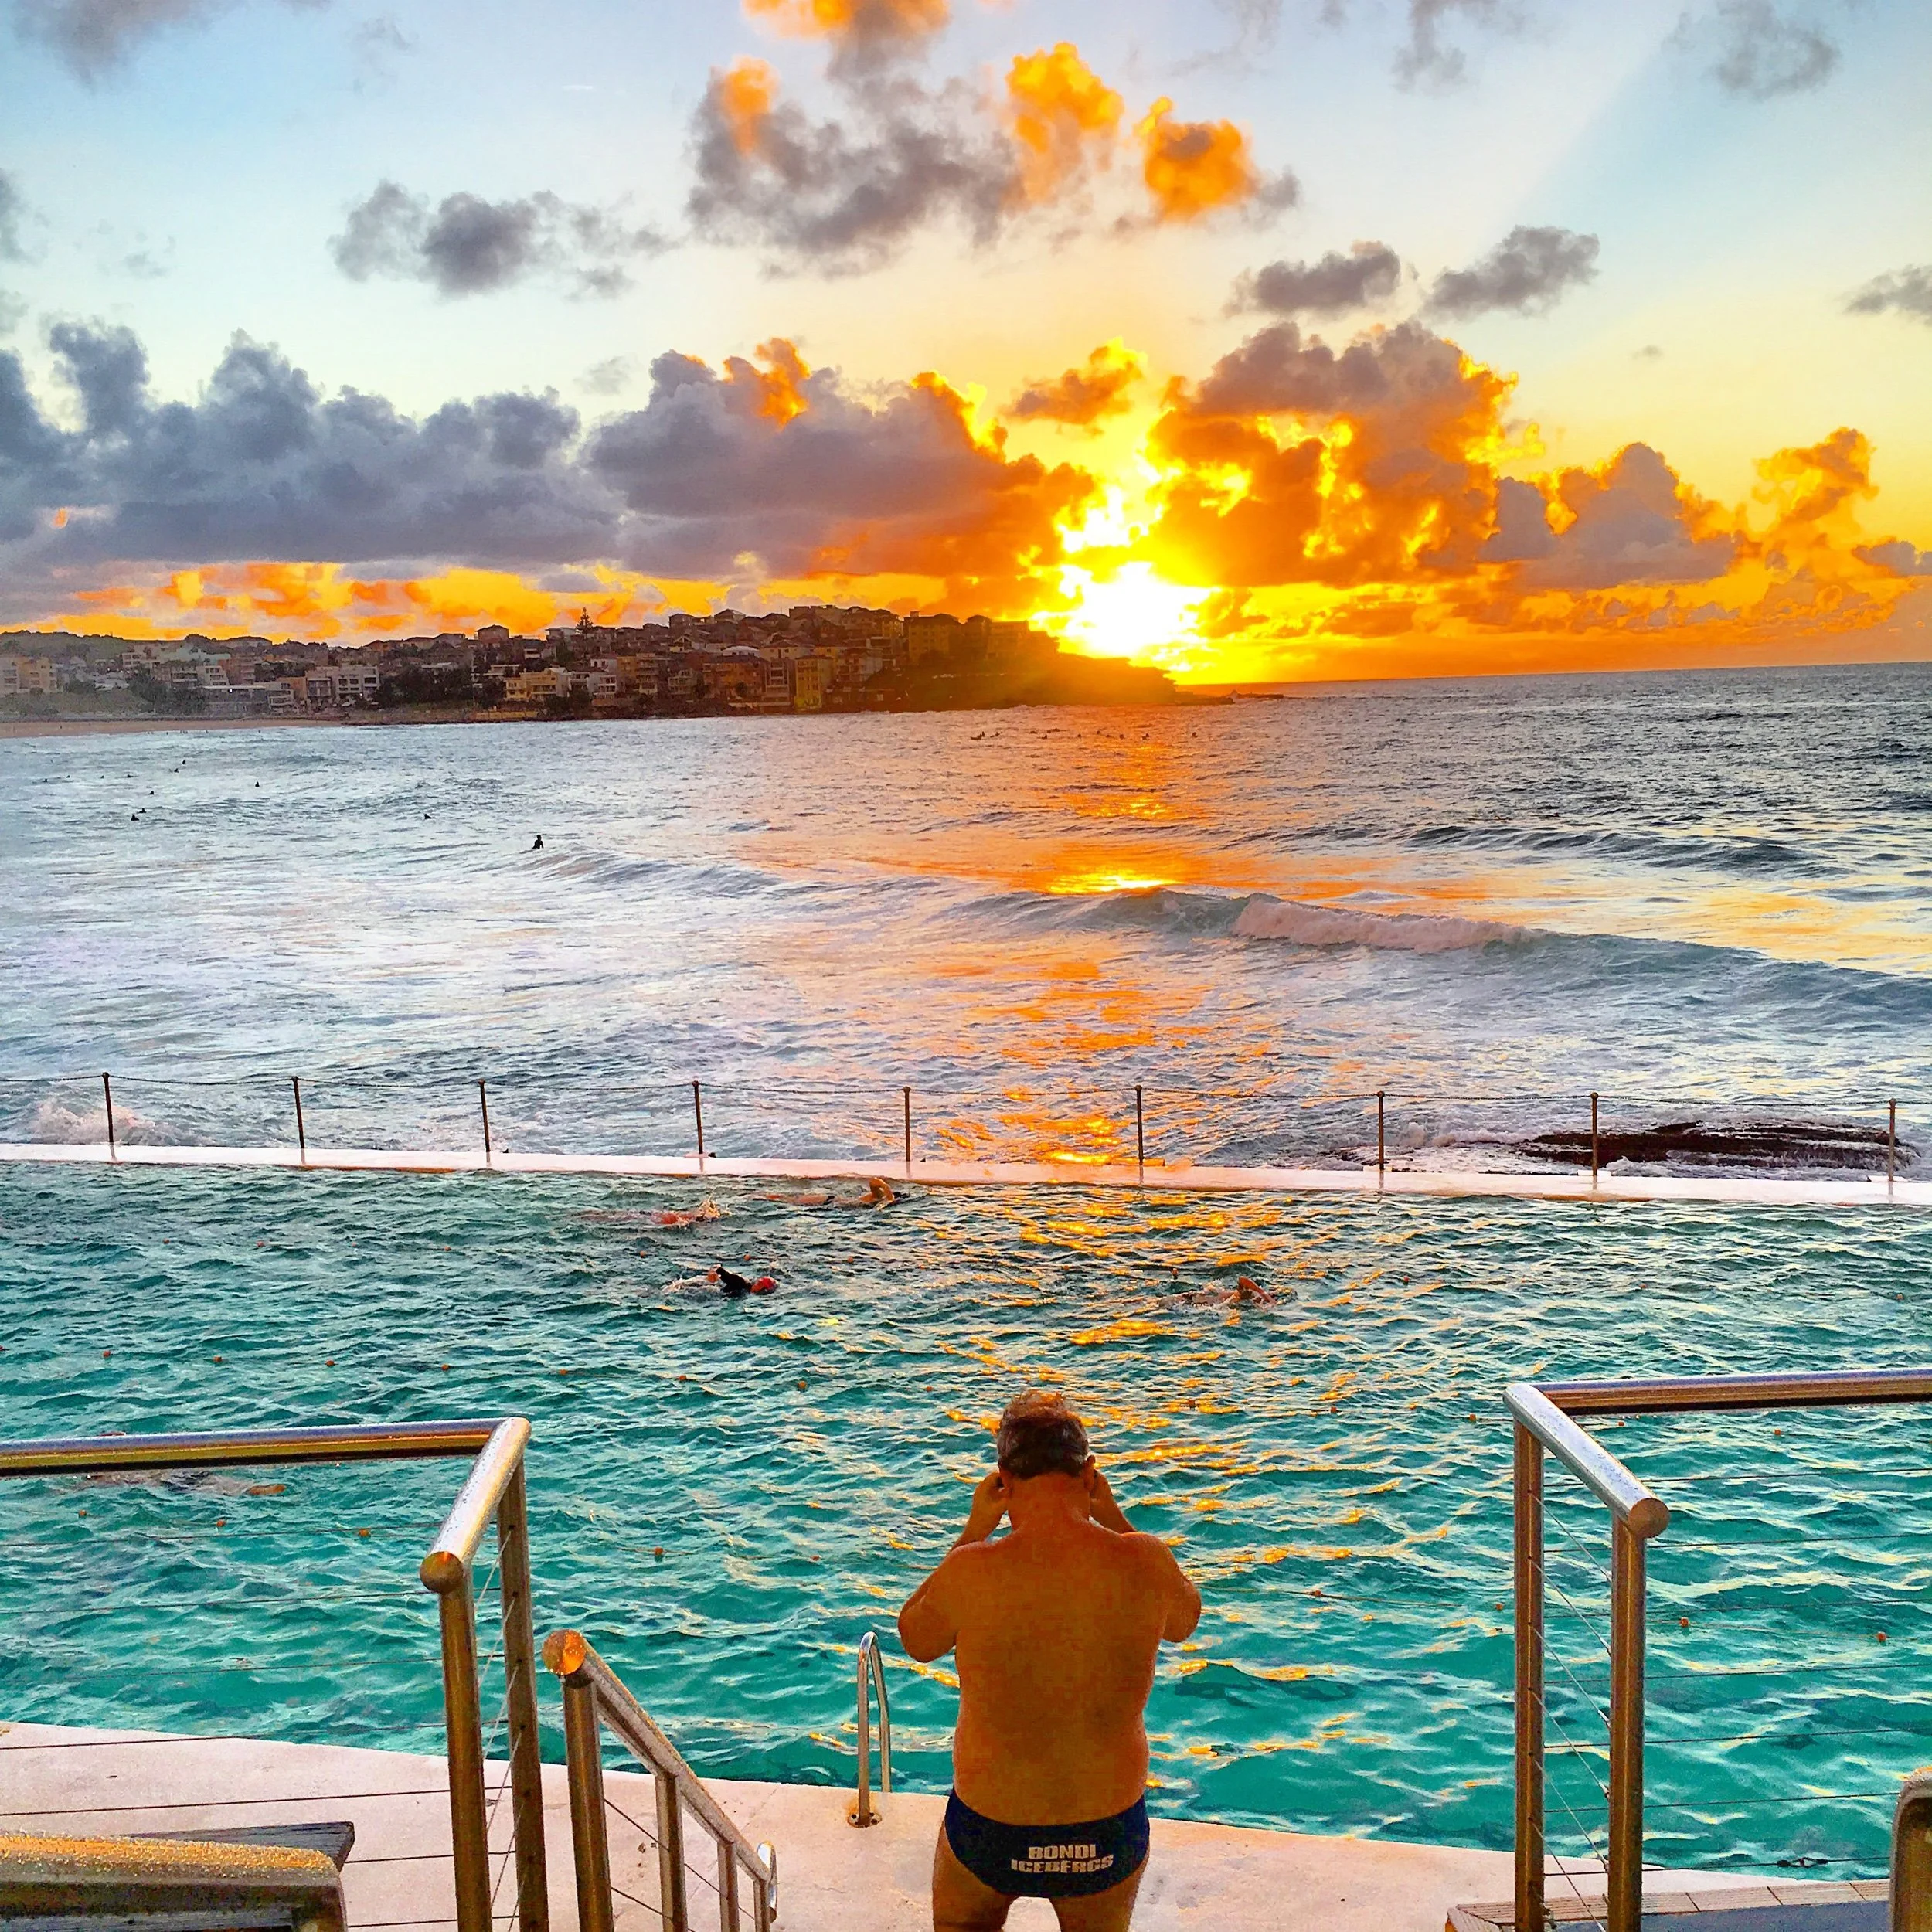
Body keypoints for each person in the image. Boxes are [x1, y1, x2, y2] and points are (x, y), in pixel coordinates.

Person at [898, 1390, 1201, 1931]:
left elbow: (916, 1638)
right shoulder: (1146, 1561)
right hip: (1105, 1832)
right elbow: (1184, 1621)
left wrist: (974, 1530)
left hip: (993, 1826)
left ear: (1003, 1482)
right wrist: (1113, 1516)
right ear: (1088, 1475)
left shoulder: (973, 1568)